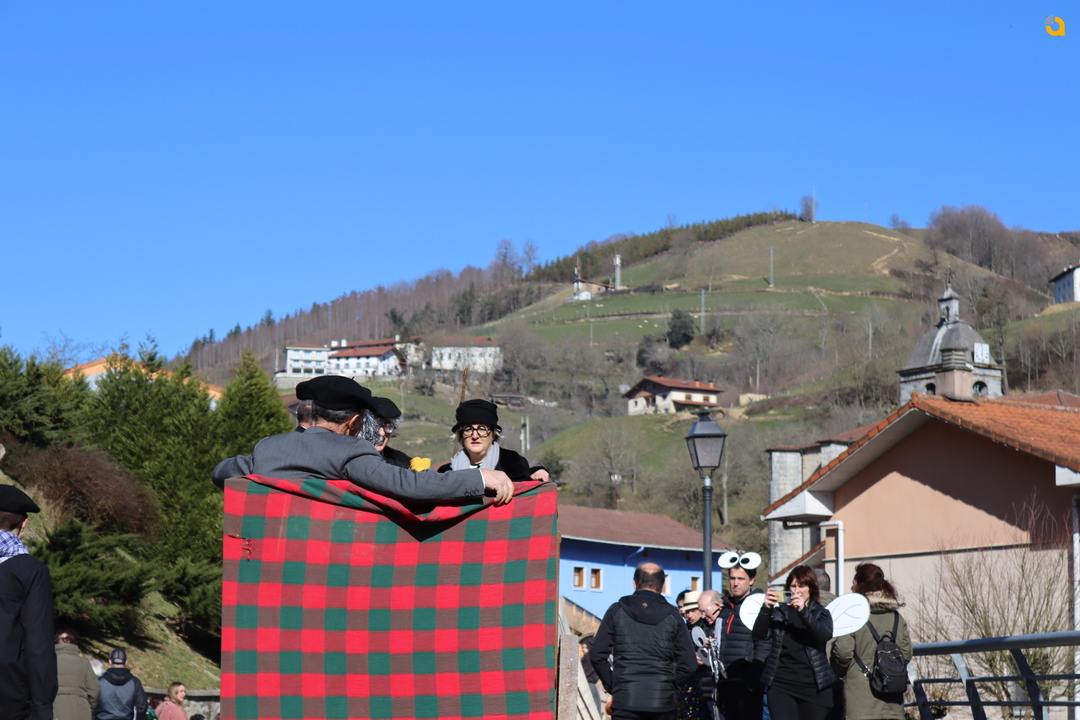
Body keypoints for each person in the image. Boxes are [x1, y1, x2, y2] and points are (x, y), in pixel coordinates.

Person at [211, 376, 515, 505]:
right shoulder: (350, 451)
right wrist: (479, 478)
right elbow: (408, 485)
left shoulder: (268, 448)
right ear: (354, 422)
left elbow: (221, 472)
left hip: (271, 564)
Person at [590, 563, 697, 720]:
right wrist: (670, 687)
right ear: (663, 585)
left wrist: (614, 685)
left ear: (634, 583)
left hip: (626, 698)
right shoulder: (673, 616)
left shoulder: (616, 611)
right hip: (661, 701)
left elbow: (597, 655)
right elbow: (689, 663)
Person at [0, 485, 57, 720]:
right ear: (24, 523)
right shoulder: (30, 571)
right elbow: (38, 645)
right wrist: (42, 707)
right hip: (9, 698)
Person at [754, 565, 838, 720]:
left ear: (811, 588)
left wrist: (803, 612)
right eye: (793, 586)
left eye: (801, 586)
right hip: (781, 685)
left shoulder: (821, 612)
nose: (796, 591)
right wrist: (766, 608)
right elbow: (760, 634)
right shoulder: (779, 613)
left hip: (814, 686)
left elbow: (823, 635)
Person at [830, 563, 912, 720]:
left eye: (853, 584)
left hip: (860, 699)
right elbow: (906, 653)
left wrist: (844, 673)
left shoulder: (853, 615)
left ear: (861, 586)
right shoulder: (896, 617)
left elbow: (842, 652)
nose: (851, 588)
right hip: (892, 699)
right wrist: (890, 670)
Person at [437, 399, 549, 482]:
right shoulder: (445, 474)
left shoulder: (513, 464)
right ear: (461, 436)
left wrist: (535, 473)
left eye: (482, 429)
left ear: (493, 435)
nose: (475, 436)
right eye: (468, 430)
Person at [717, 564, 770, 720]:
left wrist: (752, 680)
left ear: (751, 580)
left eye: (741, 579)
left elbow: (763, 644)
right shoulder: (725, 608)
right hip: (725, 682)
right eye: (732, 578)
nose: (735, 583)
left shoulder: (758, 607)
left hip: (746, 683)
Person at [369, 396, 431, 470]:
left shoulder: (404, 464)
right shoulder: (356, 465)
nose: (382, 433)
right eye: (375, 426)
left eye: (388, 425)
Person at [54, 629, 99, 720]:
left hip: (54, 709)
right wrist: (89, 709)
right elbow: (94, 690)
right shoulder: (84, 663)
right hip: (79, 710)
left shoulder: (48, 662)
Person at [94, 648, 148, 720]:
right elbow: (142, 706)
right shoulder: (134, 682)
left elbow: (91, 703)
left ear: (110, 661)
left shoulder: (100, 681)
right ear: (126, 662)